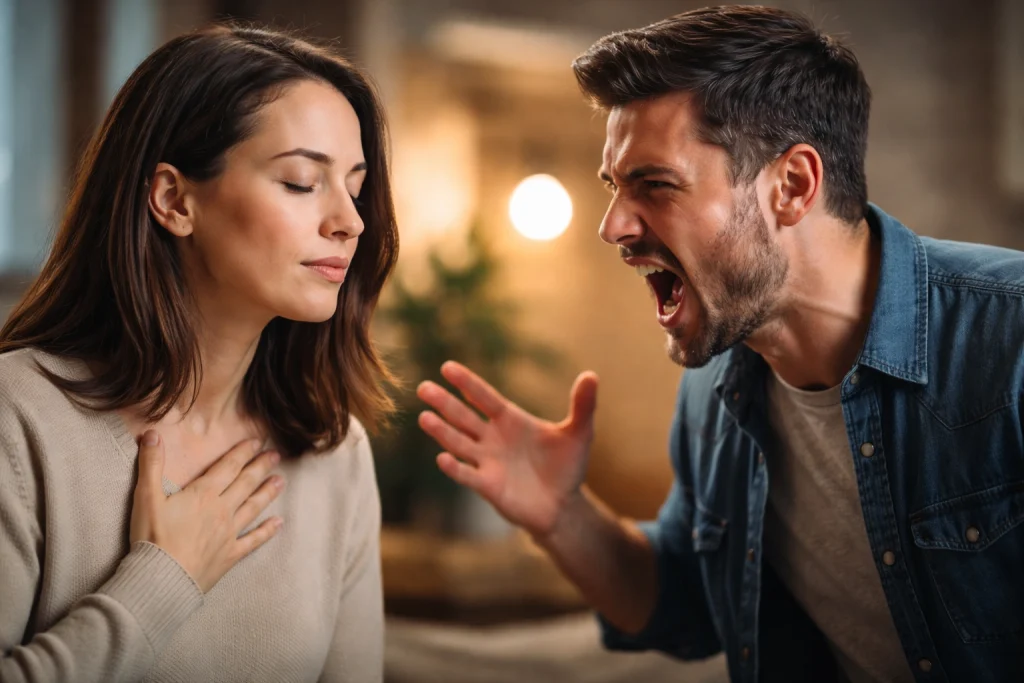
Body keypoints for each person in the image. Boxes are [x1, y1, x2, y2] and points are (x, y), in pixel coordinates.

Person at [416, 5, 1024, 683]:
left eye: (655, 184)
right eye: (614, 187)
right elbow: (685, 604)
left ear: (791, 186)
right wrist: (563, 515)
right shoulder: (716, 385)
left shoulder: (1011, 340)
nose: (613, 226)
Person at [0, 24, 397, 683]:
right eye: (301, 182)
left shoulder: (334, 450)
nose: (350, 220)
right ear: (173, 199)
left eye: (354, 186)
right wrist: (162, 580)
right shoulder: (19, 419)